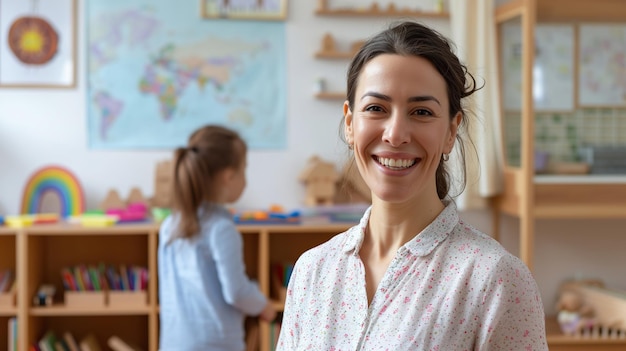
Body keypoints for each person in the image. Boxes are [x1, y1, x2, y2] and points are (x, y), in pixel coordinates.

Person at [277, 21, 548, 350]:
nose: (395, 134)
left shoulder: (495, 278)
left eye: (421, 112)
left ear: (451, 131)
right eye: (376, 108)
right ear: (350, 123)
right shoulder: (311, 272)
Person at [158, 125, 276, 351]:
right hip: (216, 344)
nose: (245, 180)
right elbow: (237, 292)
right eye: (244, 170)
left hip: (173, 342)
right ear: (228, 177)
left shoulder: (169, 226)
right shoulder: (221, 229)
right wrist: (263, 305)